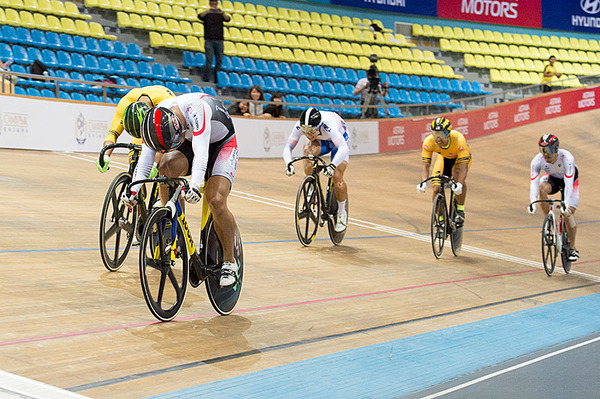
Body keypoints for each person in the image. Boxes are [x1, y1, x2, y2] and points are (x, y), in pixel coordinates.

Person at [123, 93, 240, 287]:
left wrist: (194, 184)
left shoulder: (197, 110)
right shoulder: (154, 122)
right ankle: (175, 226)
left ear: (177, 127)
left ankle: (230, 262)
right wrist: (133, 190)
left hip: (221, 145)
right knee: (165, 167)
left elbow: (201, 153)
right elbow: (145, 162)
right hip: (189, 141)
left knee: (215, 200)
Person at [283, 107, 350, 232]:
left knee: (337, 176)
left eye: (311, 132)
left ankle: (341, 212)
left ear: (318, 126)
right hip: (321, 141)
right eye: (305, 132)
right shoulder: (300, 125)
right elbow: (288, 146)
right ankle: (313, 185)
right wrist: (288, 163)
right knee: (308, 151)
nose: (308, 135)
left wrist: (332, 166)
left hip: (339, 142)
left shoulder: (328, 125)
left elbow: (343, 148)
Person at [96, 85, 175, 174]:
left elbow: (167, 140)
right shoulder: (126, 102)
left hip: (164, 117)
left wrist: (155, 164)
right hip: (149, 105)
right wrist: (105, 155)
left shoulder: (165, 104)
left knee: (163, 164)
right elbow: (112, 134)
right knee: (134, 159)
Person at [528, 134, 579, 261]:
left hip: (569, 181)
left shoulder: (567, 158)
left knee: (568, 214)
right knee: (541, 187)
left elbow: (568, 183)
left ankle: (573, 249)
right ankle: (549, 222)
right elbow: (534, 182)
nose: (545, 154)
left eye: (549, 150)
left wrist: (566, 204)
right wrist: (533, 203)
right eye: (542, 150)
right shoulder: (537, 161)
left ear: (556, 149)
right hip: (553, 179)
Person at [417, 117, 471, 226]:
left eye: (441, 134)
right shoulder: (429, 141)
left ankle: (460, 210)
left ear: (448, 133)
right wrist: (423, 182)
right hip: (443, 158)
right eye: (435, 134)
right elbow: (425, 165)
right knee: (436, 188)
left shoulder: (459, 140)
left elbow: (463, 167)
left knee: (456, 175)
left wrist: (459, 184)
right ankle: (441, 220)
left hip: (459, 160)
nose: (438, 139)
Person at [198, 0, 230, 83]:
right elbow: (200, 16)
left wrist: (221, 12)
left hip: (219, 40)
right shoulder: (207, 14)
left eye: (215, 4)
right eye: (212, 4)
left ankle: (217, 79)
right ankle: (206, 78)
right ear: (209, 4)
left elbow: (228, 19)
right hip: (209, 40)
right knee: (209, 60)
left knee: (219, 60)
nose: (214, 5)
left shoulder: (221, 14)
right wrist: (209, 11)